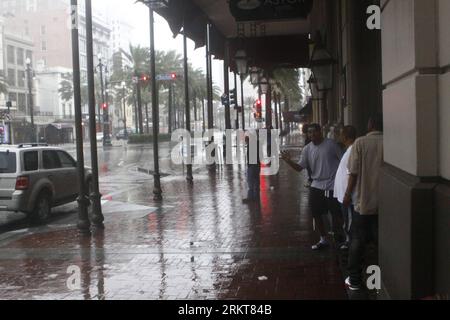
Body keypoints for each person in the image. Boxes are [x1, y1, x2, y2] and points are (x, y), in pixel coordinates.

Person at [281, 124, 344, 250]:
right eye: (310, 133)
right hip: (316, 185)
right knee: (316, 213)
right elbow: (300, 168)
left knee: (336, 214)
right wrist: (288, 161)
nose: (312, 135)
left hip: (332, 185)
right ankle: (323, 238)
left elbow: (343, 161)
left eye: (315, 132)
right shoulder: (307, 149)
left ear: (320, 132)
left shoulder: (331, 145)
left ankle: (340, 238)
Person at [343, 114, 384, 291]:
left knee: (357, 240)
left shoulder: (360, 143)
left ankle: (355, 279)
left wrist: (346, 194)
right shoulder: (389, 141)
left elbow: (353, 173)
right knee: (379, 241)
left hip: (363, 202)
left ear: (370, 124)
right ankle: (379, 279)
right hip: (383, 203)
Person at [333, 125, 357, 250]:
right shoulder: (349, 150)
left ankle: (350, 242)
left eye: (341, 134)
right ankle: (349, 240)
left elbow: (352, 174)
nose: (339, 136)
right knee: (346, 218)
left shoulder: (352, 151)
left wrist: (348, 194)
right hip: (344, 195)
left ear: (346, 136)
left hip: (347, 196)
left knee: (349, 219)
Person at [243, 129, 261, 204]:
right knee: (256, 182)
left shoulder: (252, 143)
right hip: (257, 165)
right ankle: (256, 198)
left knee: (250, 182)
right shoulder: (257, 143)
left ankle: (250, 198)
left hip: (252, 166)